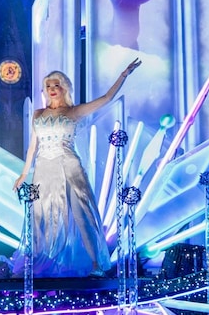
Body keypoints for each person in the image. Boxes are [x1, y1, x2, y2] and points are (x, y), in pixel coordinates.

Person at [12, 58, 142, 277]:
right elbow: (32, 147)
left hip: (69, 165)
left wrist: (123, 74)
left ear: (64, 88)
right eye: (48, 86)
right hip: (43, 169)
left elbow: (106, 98)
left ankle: (96, 264)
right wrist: (24, 174)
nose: (52, 90)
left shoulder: (74, 111)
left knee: (82, 213)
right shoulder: (38, 115)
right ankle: (34, 262)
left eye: (56, 85)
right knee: (38, 216)